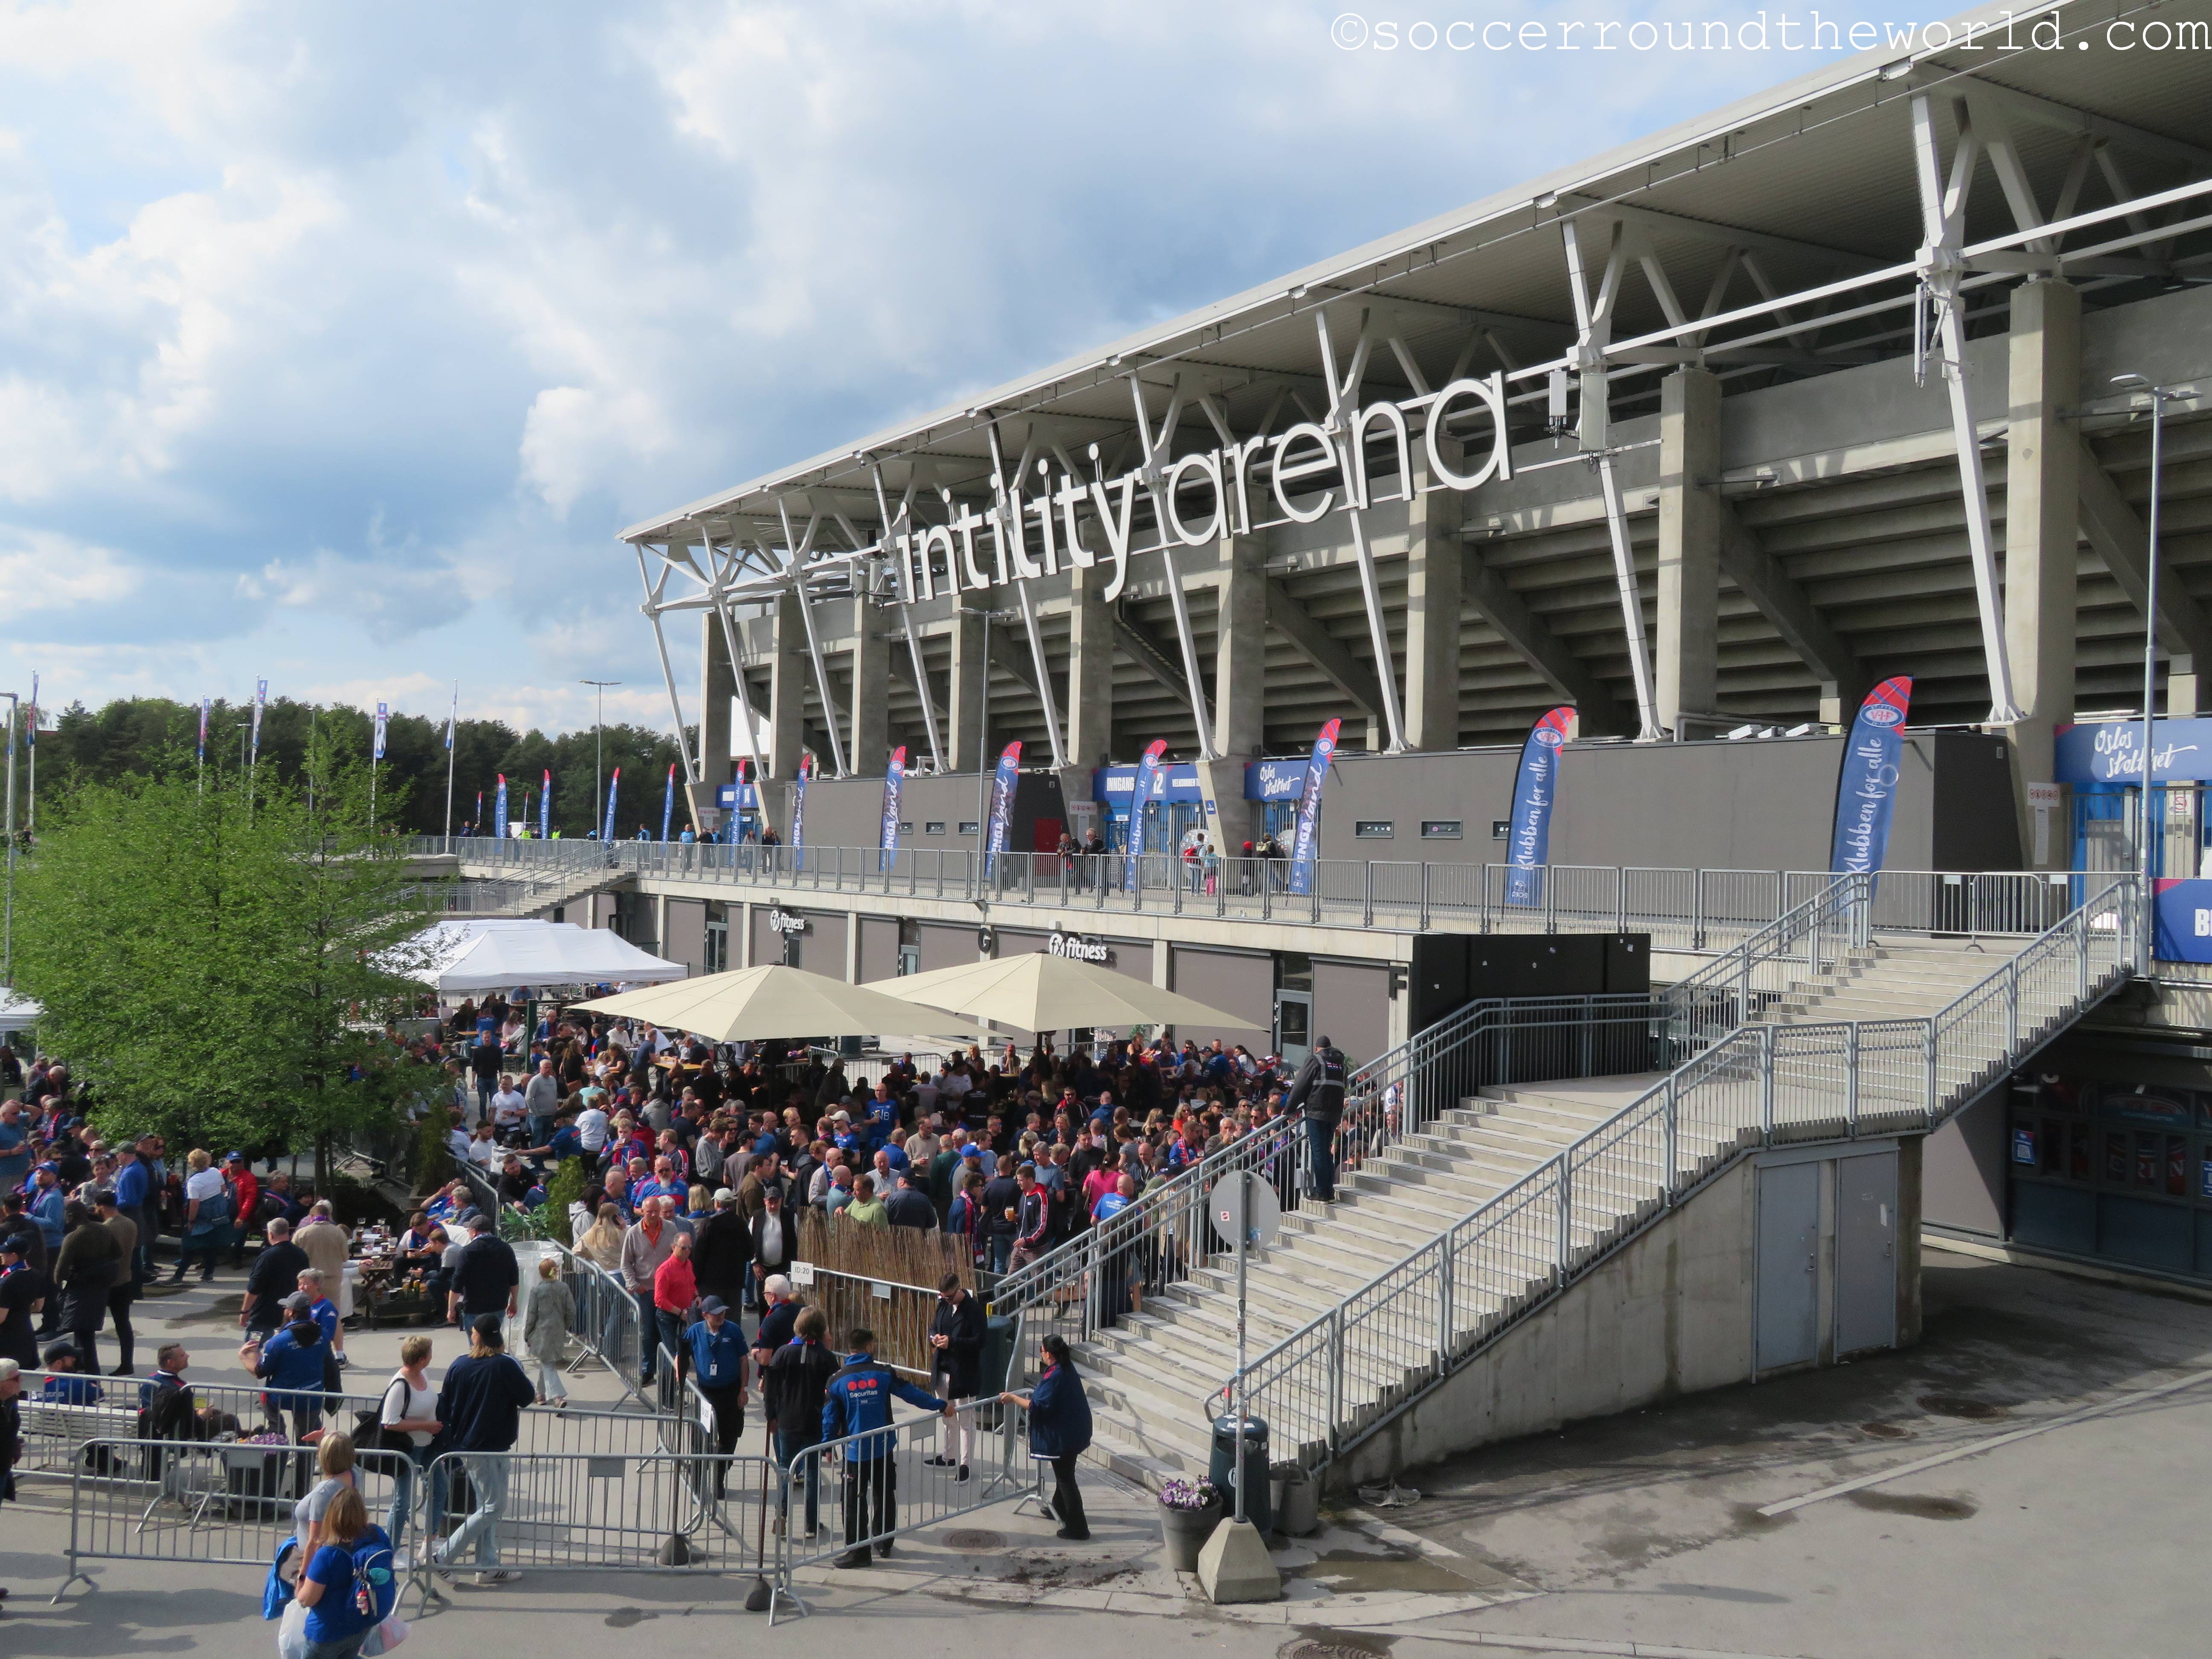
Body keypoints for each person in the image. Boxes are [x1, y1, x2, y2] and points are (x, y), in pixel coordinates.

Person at [821, 1325, 951, 1568]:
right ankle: (884, 1543)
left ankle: (859, 1552)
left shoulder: (837, 1380)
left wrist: (828, 1446)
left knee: (853, 1501)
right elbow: (911, 1394)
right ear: (869, 1347)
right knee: (884, 1495)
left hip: (854, 1452)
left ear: (850, 1349)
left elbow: (830, 1416)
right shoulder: (884, 1373)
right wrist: (940, 1405)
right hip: (883, 1448)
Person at [430, 1314, 536, 1585]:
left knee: (486, 1506)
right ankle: (443, 1556)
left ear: (475, 1335)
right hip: (489, 1447)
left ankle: (487, 1564)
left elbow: (445, 1405)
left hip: (470, 1444)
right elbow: (527, 1396)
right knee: (493, 1507)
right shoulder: (505, 1365)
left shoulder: (460, 1365)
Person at [999, 1333, 1093, 1541]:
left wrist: (1013, 1398)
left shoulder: (1056, 1376)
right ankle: (1058, 1508)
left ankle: (1078, 1528)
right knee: (1065, 1473)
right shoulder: (1066, 1368)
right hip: (1075, 1431)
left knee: (1066, 1479)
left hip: (1065, 1436)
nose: (1041, 1353)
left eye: (1041, 1350)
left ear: (1049, 1354)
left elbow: (1037, 1406)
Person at [294, 1483, 397, 1659]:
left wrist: (300, 1581)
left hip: (326, 1634)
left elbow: (307, 1599)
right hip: (359, 1628)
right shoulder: (377, 1535)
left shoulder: (328, 1555)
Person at [764, 1304, 835, 1540]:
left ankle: (782, 1516)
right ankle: (811, 1525)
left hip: (786, 1420)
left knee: (785, 1469)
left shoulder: (783, 1352)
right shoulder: (826, 1357)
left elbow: (771, 1389)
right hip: (814, 1421)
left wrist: (770, 1416)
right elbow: (834, 1395)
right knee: (813, 1472)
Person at [375, 1335, 439, 1543]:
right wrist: (426, 1426)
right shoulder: (400, 1385)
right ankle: (391, 1548)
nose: (432, 1356)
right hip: (408, 1449)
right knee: (402, 1502)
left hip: (428, 1445)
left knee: (440, 1487)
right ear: (421, 1359)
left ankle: (430, 1540)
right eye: (429, 1353)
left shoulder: (422, 1374)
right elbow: (389, 1422)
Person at [684, 1295, 748, 1490]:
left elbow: (744, 1360)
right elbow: (682, 1355)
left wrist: (743, 1390)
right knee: (700, 1440)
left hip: (730, 1392)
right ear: (705, 1315)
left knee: (729, 1438)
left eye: (723, 1312)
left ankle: (718, 1480)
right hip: (706, 1394)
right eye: (716, 1314)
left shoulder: (733, 1330)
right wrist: (680, 1375)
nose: (721, 1316)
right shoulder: (695, 1331)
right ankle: (697, 1484)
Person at [925, 1274, 985, 1482]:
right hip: (943, 1369)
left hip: (963, 1373)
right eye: (943, 1296)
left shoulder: (974, 1310)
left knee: (966, 1422)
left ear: (960, 1289)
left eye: (950, 1297)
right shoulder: (943, 1305)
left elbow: (980, 1341)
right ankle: (949, 1456)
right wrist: (934, 1338)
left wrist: (953, 1342)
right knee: (947, 1416)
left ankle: (965, 1464)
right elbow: (933, 1327)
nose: (947, 1300)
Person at [52, 1200, 120, 1375]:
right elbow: (118, 1253)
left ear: (71, 1216)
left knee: (84, 1334)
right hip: (101, 1287)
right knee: (85, 1331)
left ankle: (91, 1374)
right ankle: (81, 1365)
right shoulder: (103, 1229)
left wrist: (61, 1287)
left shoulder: (73, 1237)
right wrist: (100, 1266)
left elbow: (60, 1272)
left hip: (81, 1289)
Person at [251, 1297, 331, 1443]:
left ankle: (277, 1427)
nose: (284, 1311)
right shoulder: (324, 1334)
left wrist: (246, 1356)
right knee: (306, 1440)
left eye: (285, 1308)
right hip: (313, 1395)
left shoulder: (278, 1341)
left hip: (283, 1397)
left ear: (291, 1312)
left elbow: (261, 1372)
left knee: (263, 1389)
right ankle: (310, 1451)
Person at [1284, 1033, 1348, 1201]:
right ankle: (1329, 1191)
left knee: (1319, 1153)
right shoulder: (1341, 1064)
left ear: (1317, 1048)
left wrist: (1289, 1109)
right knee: (1326, 1152)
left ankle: (1322, 1192)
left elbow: (1300, 1085)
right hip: (1334, 1113)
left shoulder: (1315, 1060)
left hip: (1316, 1112)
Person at [94, 1189, 140, 1376]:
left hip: (107, 1283)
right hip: (125, 1279)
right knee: (123, 1324)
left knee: (88, 1324)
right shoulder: (131, 1223)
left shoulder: (106, 1228)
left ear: (102, 1208)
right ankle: (127, 1363)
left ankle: (85, 1362)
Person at [242, 1217, 309, 1344]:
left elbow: (254, 1288)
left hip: (264, 1316)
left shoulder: (267, 1257)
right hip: (290, 1313)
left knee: (252, 1348)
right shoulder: (301, 1254)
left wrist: (245, 1311)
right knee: (286, 1347)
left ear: (271, 1235)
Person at [446, 1223, 520, 1336]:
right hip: (498, 1305)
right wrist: (514, 1301)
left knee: (476, 1343)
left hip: (474, 1307)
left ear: (474, 1231)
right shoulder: (506, 1249)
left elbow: (457, 1283)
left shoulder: (468, 1251)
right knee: (493, 1341)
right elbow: (514, 1279)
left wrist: (451, 1309)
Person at [170, 1149, 230, 1283]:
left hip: (202, 1214)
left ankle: (178, 1276)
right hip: (216, 1213)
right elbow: (223, 1188)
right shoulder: (216, 1172)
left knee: (190, 1246)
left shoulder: (194, 1181)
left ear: (193, 1164)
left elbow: (195, 1203)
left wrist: (191, 1221)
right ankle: (208, 1274)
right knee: (211, 1245)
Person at [520, 1257, 573, 1408]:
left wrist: (527, 1334)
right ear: (555, 1271)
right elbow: (571, 1310)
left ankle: (557, 1397)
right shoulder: (564, 1288)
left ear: (540, 1273)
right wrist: (565, 1326)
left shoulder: (537, 1291)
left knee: (547, 1363)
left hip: (541, 1331)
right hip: (558, 1329)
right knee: (547, 1362)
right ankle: (541, 1394)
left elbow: (532, 1315)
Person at [652, 1229, 697, 1380]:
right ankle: (667, 1389)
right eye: (684, 1248)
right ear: (674, 1247)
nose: (687, 1251)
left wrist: (696, 1296)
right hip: (668, 1317)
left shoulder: (688, 1264)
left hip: (684, 1314)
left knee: (684, 1351)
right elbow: (659, 1300)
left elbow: (691, 1283)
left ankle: (679, 1384)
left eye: (690, 1248)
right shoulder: (665, 1270)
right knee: (671, 1353)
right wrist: (679, 1312)